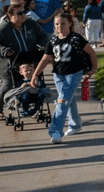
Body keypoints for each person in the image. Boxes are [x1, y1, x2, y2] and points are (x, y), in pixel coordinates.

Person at [31, 12, 98, 143]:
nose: (59, 26)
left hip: (74, 74)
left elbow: (92, 53)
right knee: (68, 100)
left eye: (63, 23)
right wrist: (35, 74)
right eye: (57, 24)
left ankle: (55, 131)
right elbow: (45, 59)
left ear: (70, 24)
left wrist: (93, 69)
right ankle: (75, 124)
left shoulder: (77, 38)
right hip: (58, 75)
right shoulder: (53, 40)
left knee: (61, 101)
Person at [0, 0, 50, 121]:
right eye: (20, 13)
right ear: (11, 15)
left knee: (33, 84)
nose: (24, 15)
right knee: (8, 85)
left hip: (30, 62)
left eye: (24, 12)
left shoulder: (31, 24)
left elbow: (43, 36)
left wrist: (40, 46)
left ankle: (32, 109)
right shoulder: (3, 28)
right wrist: (5, 51)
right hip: (9, 64)